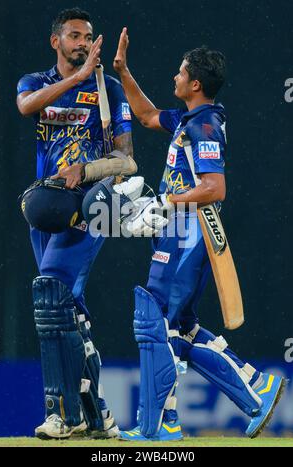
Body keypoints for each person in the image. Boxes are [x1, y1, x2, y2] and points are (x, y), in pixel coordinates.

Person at [112, 28, 286, 441]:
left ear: (195, 84)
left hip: (189, 232)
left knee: (156, 323)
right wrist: (123, 71)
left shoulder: (205, 124)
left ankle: (162, 426)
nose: (173, 77)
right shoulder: (188, 119)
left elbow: (214, 188)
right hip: (179, 231)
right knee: (182, 330)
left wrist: (166, 204)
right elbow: (147, 115)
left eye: (179, 72)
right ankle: (254, 389)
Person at [16, 9, 136, 440]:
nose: (83, 42)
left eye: (87, 36)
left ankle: (60, 414)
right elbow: (26, 106)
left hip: (90, 207)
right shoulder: (35, 82)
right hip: (47, 206)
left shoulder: (110, 89)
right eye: (74, 36)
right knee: (69, 312)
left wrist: (85, 171)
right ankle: (97, 412)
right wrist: (77, 75)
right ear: (57, 42)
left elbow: (127, 159)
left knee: (51, 294)